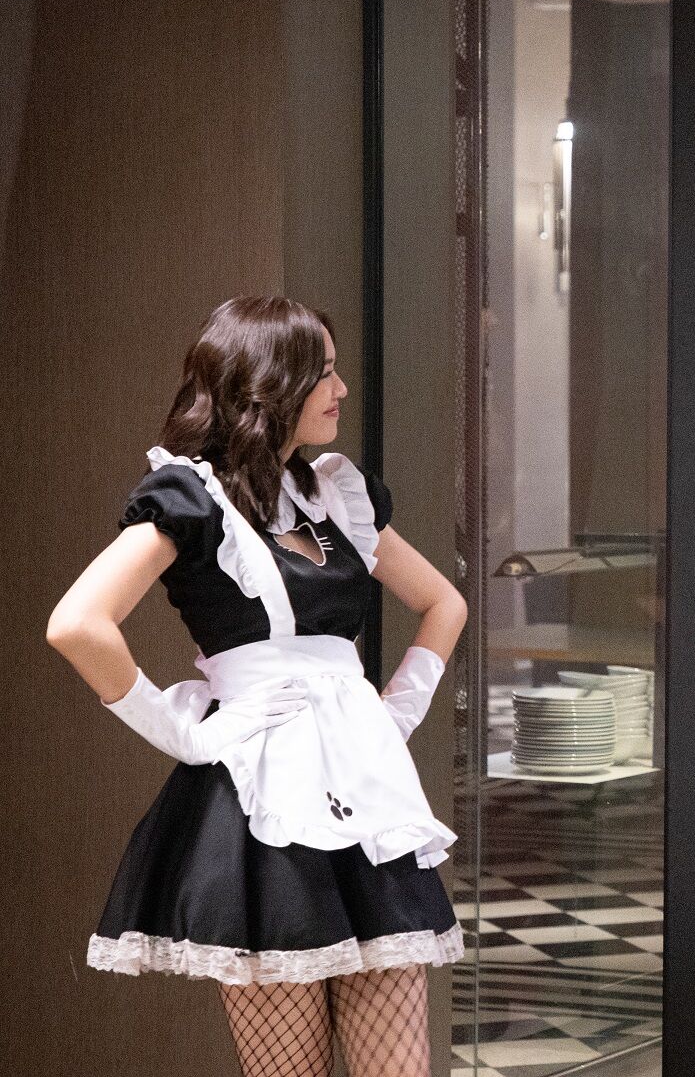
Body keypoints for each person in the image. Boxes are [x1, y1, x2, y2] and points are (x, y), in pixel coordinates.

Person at [48, 296, 466, 1077]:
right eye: (324, 374)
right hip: (261, 801)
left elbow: (445, 603)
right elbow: (77, 623)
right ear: (271, 385)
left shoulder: (337, 494)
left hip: (366, 799)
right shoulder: (188, 498)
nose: (340, 390)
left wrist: (395, 714)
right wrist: (184, 732)